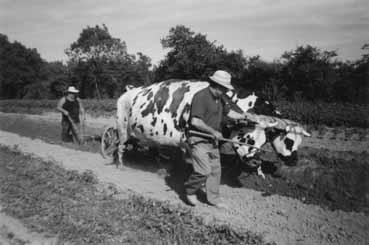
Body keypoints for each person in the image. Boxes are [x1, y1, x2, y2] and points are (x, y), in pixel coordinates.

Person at [184, 70, 247, 208]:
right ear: (216, 85)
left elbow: (229, 112)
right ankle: (190, 190)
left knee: (215, 171)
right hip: (198, 139)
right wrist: (213, 131)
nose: (226, 91)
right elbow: (195, 121)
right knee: (204, 171)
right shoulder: (201, 97)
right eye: (224, 88)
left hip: (212, 141)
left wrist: (245, 116)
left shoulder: (220, 98)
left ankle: (213, 198)